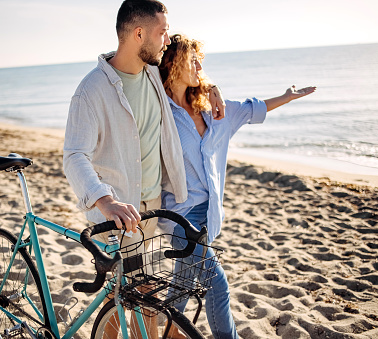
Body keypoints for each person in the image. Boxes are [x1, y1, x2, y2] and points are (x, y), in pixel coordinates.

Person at [63, 1, 223, 337]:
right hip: (117, 218)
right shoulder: (91, 92)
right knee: (129, 302)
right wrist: (104, 201)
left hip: (151, 213)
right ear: (139, 34)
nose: (167, 40)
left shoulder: (153, 72)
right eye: (162, 32)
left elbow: (187, 74)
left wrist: (211, 89)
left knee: (137, 300)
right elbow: (75, 155)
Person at [157, 33, 316, 339]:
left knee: (181, 288)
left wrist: (285, 96)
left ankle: (162, 334)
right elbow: (140, 68)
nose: (199, 64)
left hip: (209, 216)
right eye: (192, 59)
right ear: (173, 62)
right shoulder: (160, 110)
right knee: (217, 285)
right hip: (180, 217)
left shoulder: (215, 112)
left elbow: (251, 108)